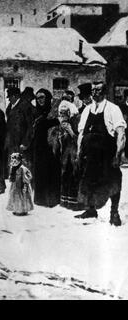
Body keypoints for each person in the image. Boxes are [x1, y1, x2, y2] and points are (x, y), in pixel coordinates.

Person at [76, 82, 126, 226]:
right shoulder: (87, 110)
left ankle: (114, 213)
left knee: (113, 182)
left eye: (98, 90)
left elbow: (121, 133)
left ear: (104, 92)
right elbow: (81, 133)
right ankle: (91, 209)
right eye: (93, 90)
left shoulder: (113, 109)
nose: (94, 93)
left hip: (106, 155)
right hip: (90, 155)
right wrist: (79, 152)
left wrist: (118, 154)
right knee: (89, 182)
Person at [48, 101, 84, 211]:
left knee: (74, 177)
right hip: (64, 157)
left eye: (64, 113)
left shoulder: (76, 122)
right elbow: (55, 143)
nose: (62, 115)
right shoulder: (59, 126)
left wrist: (70, 131)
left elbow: (80, 139)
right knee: (65, 177)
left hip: (74, 155)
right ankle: (65, 202)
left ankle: (75, 203)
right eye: (60, 113)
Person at [30, 89, 60, 207]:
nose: (40, 100)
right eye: (38, 98)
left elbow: (56, 125)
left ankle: (51, 199)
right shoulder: (36, 112)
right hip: (38, 146)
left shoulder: (53, 111)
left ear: (47, 98)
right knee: (39, 171)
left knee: (50, 172)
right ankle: (40, 199)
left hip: (50, 147)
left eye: (42, 97)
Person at [5, 87, 34, 169]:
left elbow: (30, 126)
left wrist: (25, 142)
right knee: (14, 167)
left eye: (10, 97)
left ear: (15, 96)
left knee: (24, 168)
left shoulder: (26, 106)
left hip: (22, 143)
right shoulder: (10, 106)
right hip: (13, 143)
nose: (9, 99)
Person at [6, 152, 33, 217]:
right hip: (15, 185)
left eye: (16, 161)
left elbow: (29, 176)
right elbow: (11, 176)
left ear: (20, 161)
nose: (14, 162)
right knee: (15, 196)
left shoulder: (22, 168)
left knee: (22, 197)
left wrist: (26, 181)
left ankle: (22, 210)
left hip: (21, 184)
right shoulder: (13, 168)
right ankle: (16, 209)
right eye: (12, 161)